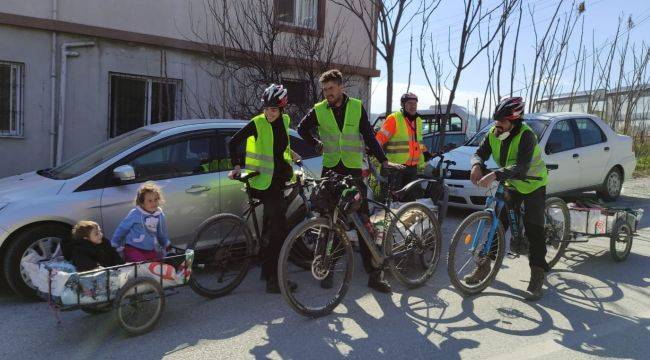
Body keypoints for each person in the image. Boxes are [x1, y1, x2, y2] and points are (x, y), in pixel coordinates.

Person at [297, 69, 403, 294]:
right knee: (329, 222)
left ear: (341, 87)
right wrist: (316, 144)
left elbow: (369, 136)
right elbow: (301, 129)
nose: (328, 94)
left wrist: (383, 161)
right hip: (330, 172)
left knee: (362, 222)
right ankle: (326, 269)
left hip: (353, 173)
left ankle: (374, 275)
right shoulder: (319, 110)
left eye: (331, 89)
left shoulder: (356, 107)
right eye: (325, 90)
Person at [469, 96, 549, 301]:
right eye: (496, 121)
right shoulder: (493, 134)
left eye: (502, 122)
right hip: (510, 183)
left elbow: (522, 168)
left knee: (534, 229)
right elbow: (479, 152)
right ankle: (484, 265)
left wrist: (495, 174)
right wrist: (476, 165)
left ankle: (537, 275)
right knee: (498, 224)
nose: (497, 125)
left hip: (533, 184)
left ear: (514, 122)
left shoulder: (527, 136)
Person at [228, 83, 298, 294]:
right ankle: (275, 281)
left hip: (279, 181)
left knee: (271, 228)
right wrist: (237, 164)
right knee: (279, 231)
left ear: (282, 109)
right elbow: (233, 142)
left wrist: (293, 155)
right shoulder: (257, 123)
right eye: (266, 108)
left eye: (274, 109)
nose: (269, 113)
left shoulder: (285, 121)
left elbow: (280, 146)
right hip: (264, 184)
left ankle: (266, 271)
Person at [375, 92, 434, 198]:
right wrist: (380, 158)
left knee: (409, 201)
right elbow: (378, 140)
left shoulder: (418, 120)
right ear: (403, 105)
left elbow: (418, 142)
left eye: (415, 103)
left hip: (412, 168)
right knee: (393, 201)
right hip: (395, 168)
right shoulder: (394, 118)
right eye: (410, 103)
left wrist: (426, 154)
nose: (413, 106)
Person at [111, 182, 171, 263]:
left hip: (150, 248)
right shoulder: (135, 213)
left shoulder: (160, 215)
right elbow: (122, 228)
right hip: (132, 247)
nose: (154, 203)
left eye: (156, 199)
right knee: (141, 265)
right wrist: (115, 243)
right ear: (142, 203)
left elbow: (162, 233)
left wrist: (166, 244)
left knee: (154, 267)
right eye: (150, 201)